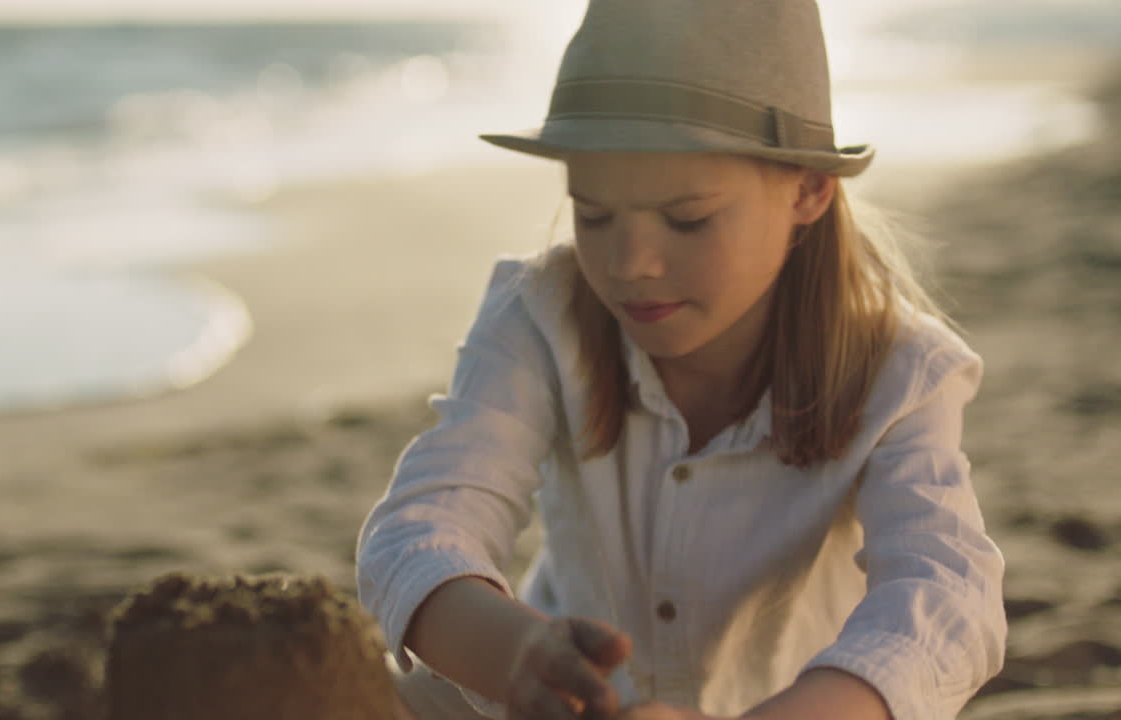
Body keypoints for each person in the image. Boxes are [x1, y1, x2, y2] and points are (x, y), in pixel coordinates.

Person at [355, 1, 1007, 719]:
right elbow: (420, 528)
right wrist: (518, 656)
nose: (630, 264)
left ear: (808, 189)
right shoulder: (540, 316)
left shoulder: (900, 372)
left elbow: (947, 596)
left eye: (687, 218)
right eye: (593, 214)